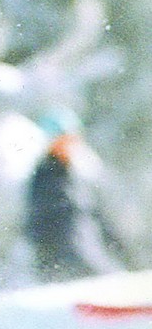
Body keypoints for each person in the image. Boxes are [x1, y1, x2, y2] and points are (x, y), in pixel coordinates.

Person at [25, 109, 131, 281]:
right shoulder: (44, 177)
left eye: (73, 139)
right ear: (52, 141)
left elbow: (96, 216)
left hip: (92, 251)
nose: (71, 144)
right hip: (68, 260)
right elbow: (38, 224)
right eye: (65, 140)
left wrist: (120, 248)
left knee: (114, 278)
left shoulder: (75, 175)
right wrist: (50, 262)